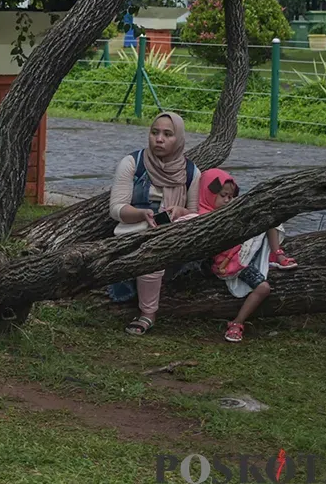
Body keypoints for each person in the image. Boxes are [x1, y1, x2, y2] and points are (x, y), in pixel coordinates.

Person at [108, 111, 200, 336]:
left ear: (178, 139)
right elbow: (116, 209)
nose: (159, 139)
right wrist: (142, 214)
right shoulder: (133, 163)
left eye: (167, 134)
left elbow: (196, 216)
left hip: (172, 235)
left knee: (172, 239)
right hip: (135, 234)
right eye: (154, 132)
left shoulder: (191, 172)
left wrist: (180, 212)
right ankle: (147, 314)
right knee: (152, 254)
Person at [203, 169, 299, 343]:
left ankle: (278, 255)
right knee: (263, 288)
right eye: (223, 195)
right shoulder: (202, 216)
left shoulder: (229, 211)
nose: (227, 200)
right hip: (232, 265)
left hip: (240, 255)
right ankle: (236, 323)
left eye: (230, 197)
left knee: (267, 215)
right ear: (209, 193)